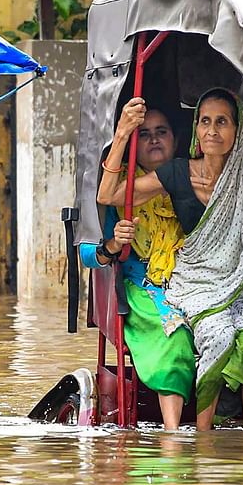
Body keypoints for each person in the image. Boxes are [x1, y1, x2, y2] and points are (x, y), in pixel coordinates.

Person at [98, 89, 243, 430]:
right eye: (205, 122)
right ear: (195, 129)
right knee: (219, 336)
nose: (213, 131)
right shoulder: (178, 173)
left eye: (222, 122)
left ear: (239, 130)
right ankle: (205, 435)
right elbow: (109, 195)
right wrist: (122, 134)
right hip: (195, 284)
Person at [82, 104, 193, 431]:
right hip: (141, 286)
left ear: (175, 139)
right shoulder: (124, 188)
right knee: (175, 331)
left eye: (162, 132)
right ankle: (173, 433)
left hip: (195, 277)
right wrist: (114, 244)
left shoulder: (191, 178)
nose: (154, 140)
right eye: (144, 134)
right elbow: (90, 254)